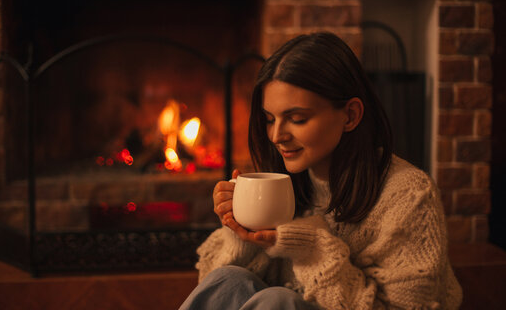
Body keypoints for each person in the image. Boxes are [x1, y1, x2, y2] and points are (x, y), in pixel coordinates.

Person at [179, 32, 462, 309]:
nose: (277, 135)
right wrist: (240, 229)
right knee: (227, 279)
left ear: (350, 115)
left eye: (297, 119)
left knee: (279, 301)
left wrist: (311, 247)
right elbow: (214, 288)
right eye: (269, 119)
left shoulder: (408, 195)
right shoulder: (285, 182)